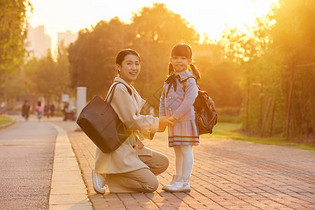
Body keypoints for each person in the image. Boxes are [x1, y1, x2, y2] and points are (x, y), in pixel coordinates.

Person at [93, 49, 172, 194]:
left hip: (130, 146)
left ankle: (118, 173)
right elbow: (131, 120)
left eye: (137, 64)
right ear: (118, 66)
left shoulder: (129, 88)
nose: (134, 68)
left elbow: (135, 117)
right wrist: (157, 123)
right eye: (129, 64)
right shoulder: (119, 89)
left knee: (162, 162)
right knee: (151, 184)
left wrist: (156, 125)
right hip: (117, 149)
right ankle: (107, 175)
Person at [159, 43, 201, 192]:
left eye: (183, 58)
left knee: (186, 149)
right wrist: (162, 118)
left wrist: (175, 117)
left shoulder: (189, 81)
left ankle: (184, 181)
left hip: (184, 122)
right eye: (176, 58)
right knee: (178, 151)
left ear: (189, 61)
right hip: (172, 123)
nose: (179, 61)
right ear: (170, 59)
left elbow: (189, 101)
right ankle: (177, 178)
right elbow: (162, 100)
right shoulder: (168, 81)